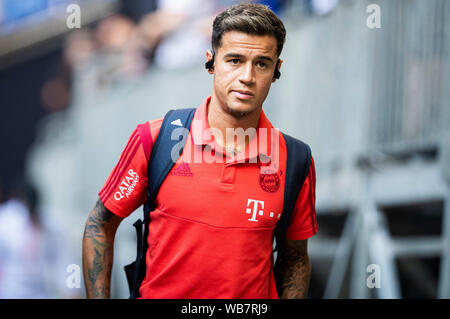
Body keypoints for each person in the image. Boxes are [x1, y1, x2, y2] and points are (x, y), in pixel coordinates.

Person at [82, 3, 318, 299]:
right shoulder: (157, 139)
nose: (247, 76)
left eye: (261, 63)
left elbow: (295, 258)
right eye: (234, 60)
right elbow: (99, 225)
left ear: (276, 71)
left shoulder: (295, 159)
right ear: (211, 62)